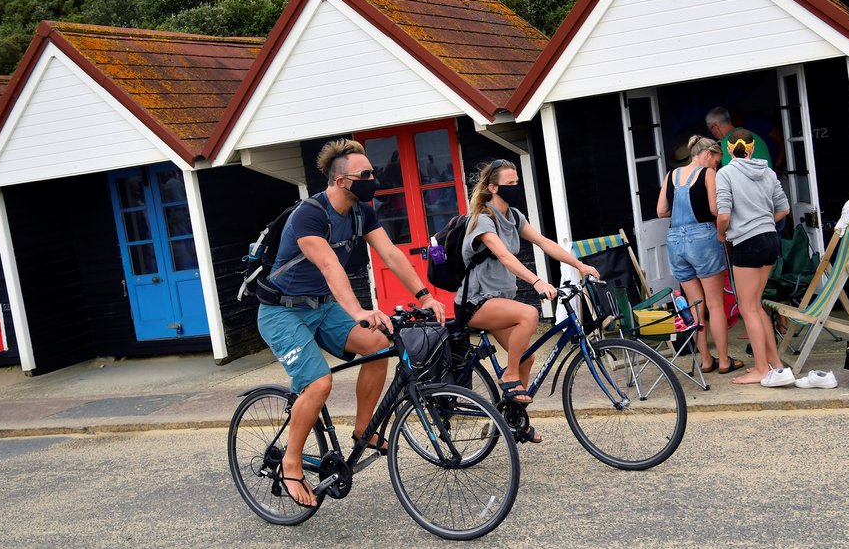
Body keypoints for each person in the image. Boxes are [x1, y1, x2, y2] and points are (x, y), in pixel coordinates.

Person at [257, 139, 446, 507]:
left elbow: (390, 253)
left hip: (324, 307)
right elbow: (329, 266)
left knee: (378, 345)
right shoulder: (310, 215)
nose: (374, 179)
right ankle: (292, 463)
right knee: (318, 382)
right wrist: (360, 310)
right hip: (283, 311)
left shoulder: (362, 211)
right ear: (342, 181)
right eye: (366, 174)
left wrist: (425, 295)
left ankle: (365, 430)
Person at [457, 159, 600, 443]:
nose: (516, 188)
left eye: (517, 182)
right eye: (509, 184)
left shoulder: (514, 216)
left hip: (500, 302)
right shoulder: (482, 219)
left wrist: (580, 265)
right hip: (476, 302)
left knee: (527, 356)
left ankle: (514, 420)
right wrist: (536, 281)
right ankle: (509, 375)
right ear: (493, 187)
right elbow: (504, 255)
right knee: (529, 315)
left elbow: (545, 243)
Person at [657, 135, 742, 375]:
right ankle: (724, 360)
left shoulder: (671, 175)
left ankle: (705, 359)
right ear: (706, 155)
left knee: (695, 306)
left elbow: (661, 210)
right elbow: (715, 209)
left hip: (675, 241)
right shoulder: (708, 174)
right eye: (716, 161)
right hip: (703, 240)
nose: (716, 165)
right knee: (715, 305)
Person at [715, 129, 792, 387]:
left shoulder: (724, 173)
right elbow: (784, 209)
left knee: (748, 308)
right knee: (756, 305)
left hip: (747, 243)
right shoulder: (768, 171)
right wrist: (764, 222)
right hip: (770, 240)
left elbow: (723, 214)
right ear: (751, 148)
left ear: (728, 149)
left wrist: (721, 234)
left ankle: (760, 369)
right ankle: (776, 365)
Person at [706, 107, 772, 167]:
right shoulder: (756, 137)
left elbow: (731, 177)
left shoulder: (727, 144)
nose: (713, 134)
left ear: (715, 127)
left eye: (710, 130)